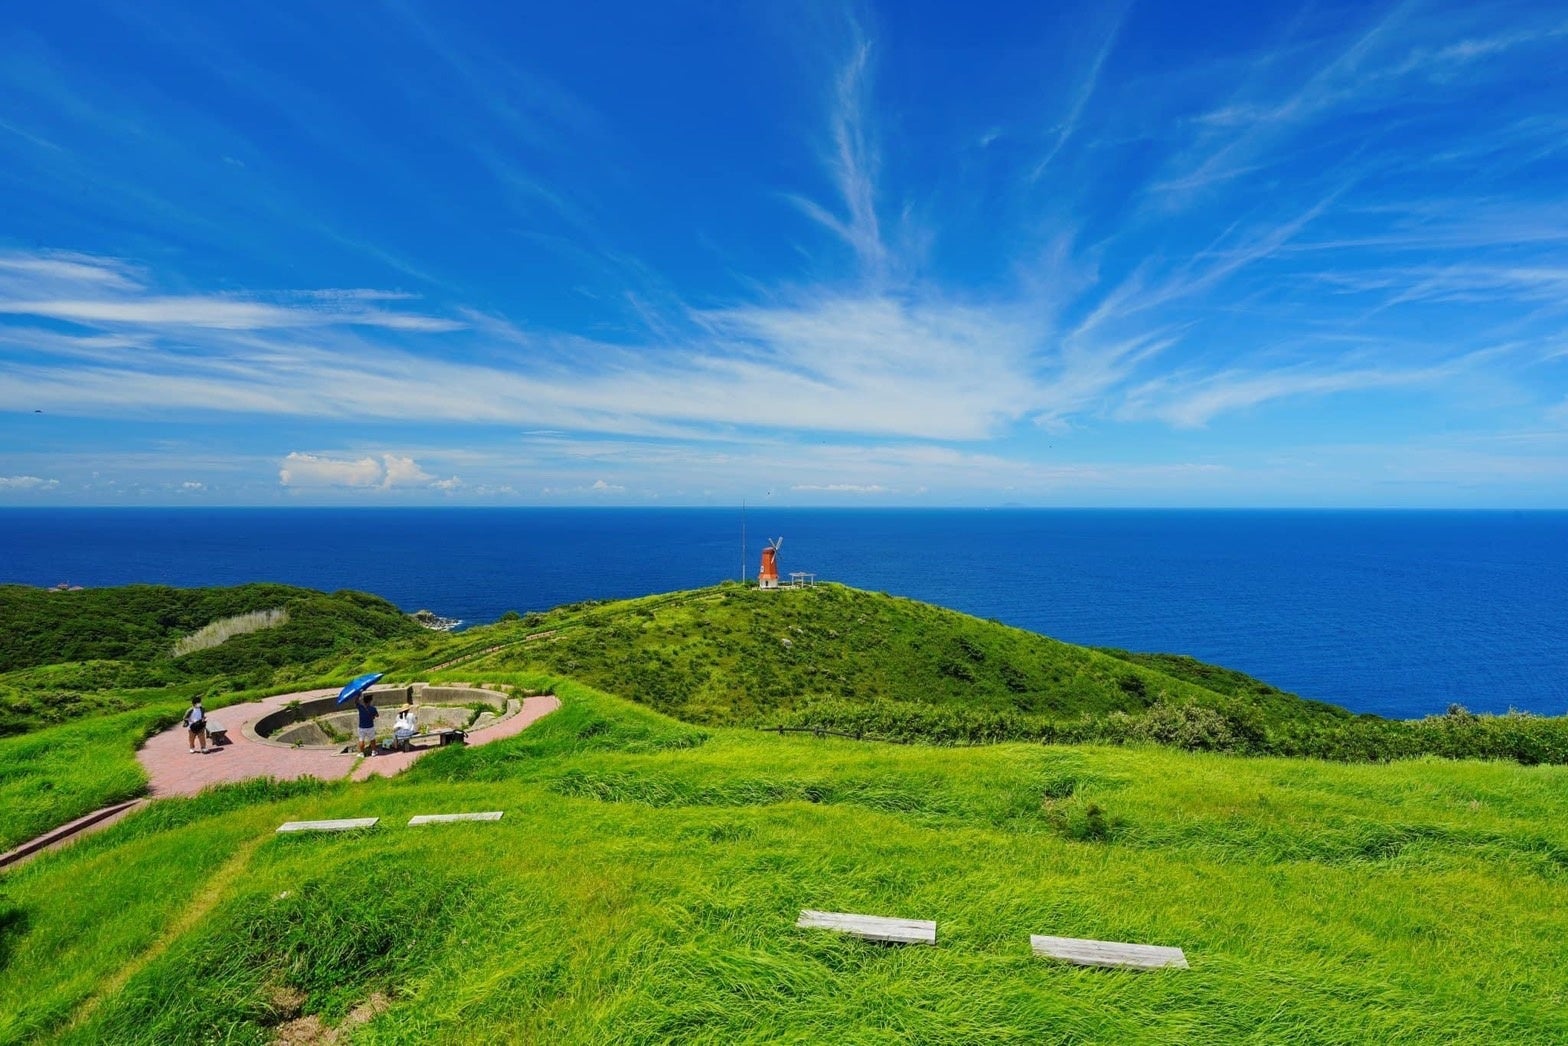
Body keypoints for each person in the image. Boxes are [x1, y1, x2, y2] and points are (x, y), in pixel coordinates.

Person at [357, 691, 379, 756]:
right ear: (370, 701)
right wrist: (372, 716)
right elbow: (377, 715)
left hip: (361, 727)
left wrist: (358, 696)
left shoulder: (361, 707)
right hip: (370, 727)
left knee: (361, 740)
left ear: (364, 701)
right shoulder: (373, 708)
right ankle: (373, 752)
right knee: (372, 739)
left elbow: (356, 702)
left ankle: (361, 753)